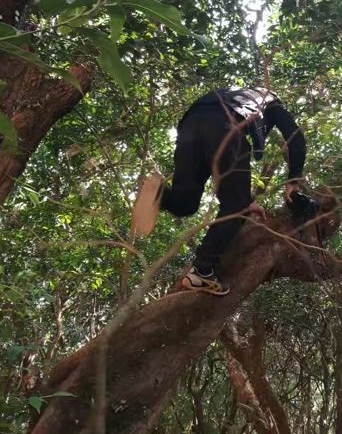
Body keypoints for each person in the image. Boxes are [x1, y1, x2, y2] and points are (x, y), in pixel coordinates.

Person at [131, 87, 306, 295]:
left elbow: (231, 183)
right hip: (226, 125)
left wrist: (245, 199)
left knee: (185, 203)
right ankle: (202, 271)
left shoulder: (232, 93)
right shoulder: (271, 102)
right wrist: (293, 180)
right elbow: (296, 138)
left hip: (190, 124)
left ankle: (159, 193)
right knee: (236, 205)